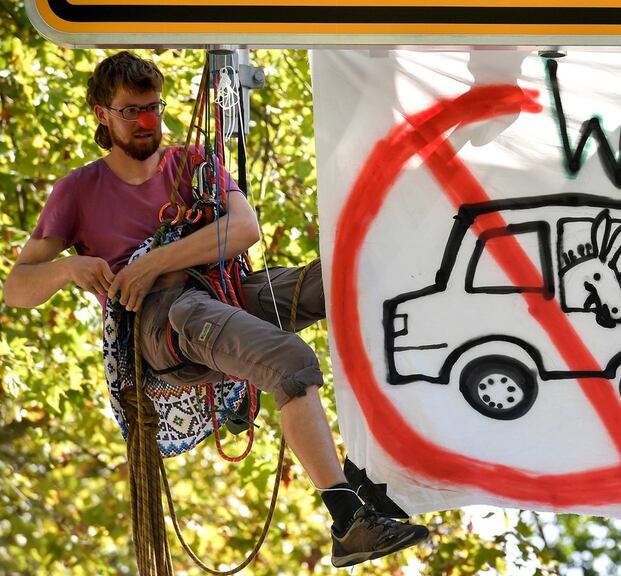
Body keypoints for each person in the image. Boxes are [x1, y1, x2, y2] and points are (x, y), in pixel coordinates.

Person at [2, 50, 427, 569]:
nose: (145, 121)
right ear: (101, 113)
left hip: (222, 290)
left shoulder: (191, 164)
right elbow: (17, 288)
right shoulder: (78, 191)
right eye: (130, 110)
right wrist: (70, 268)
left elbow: (244, 228)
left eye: (154, 107)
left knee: (346, 281)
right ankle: (346, 520)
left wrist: (154, 259)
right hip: (163, 325)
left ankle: (386, 462)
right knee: (289, 360)